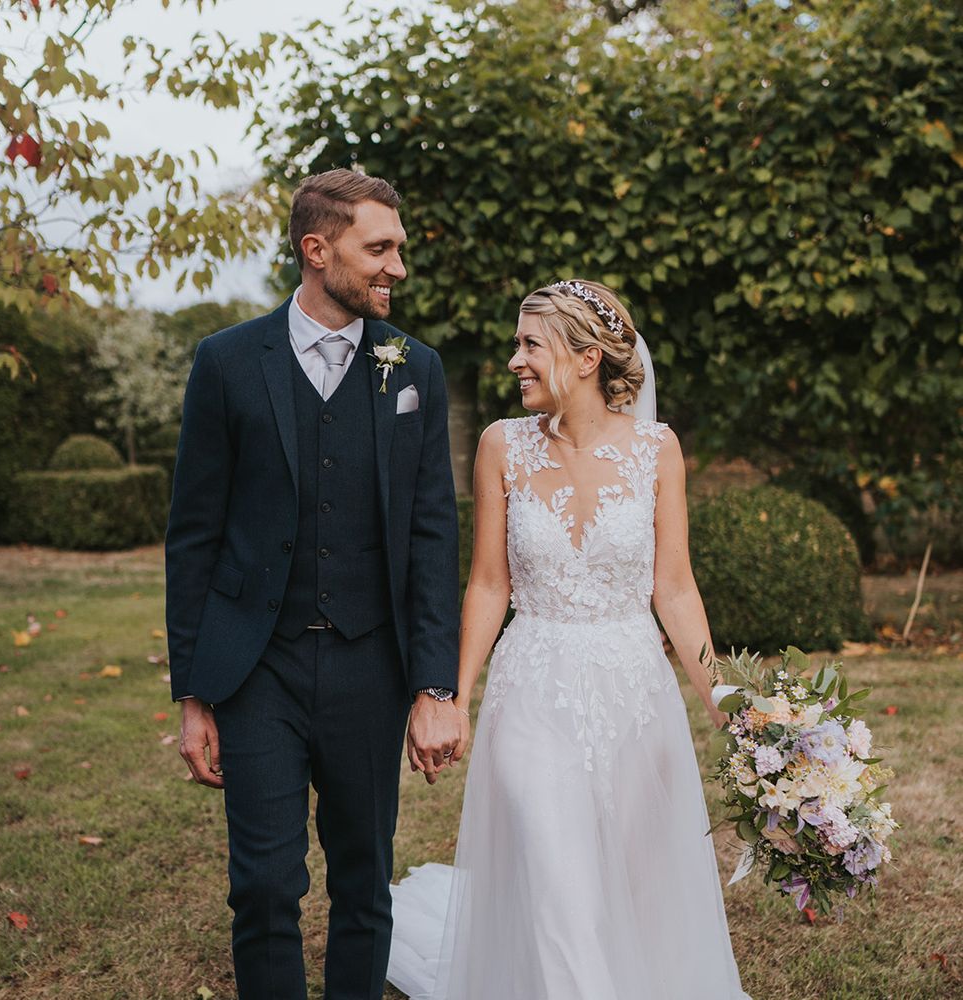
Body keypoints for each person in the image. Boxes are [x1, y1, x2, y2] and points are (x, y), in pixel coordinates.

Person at [387, 280, 750, 999]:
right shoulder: (502, 445)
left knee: (633, 885)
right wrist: (451, 696)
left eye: (530, 345)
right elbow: (489, 584)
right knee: (557, 880)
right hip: (533, 692)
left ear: (586, 358)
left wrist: (730, 706)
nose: (514, 360)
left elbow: (673, 588)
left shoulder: (657, 450)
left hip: (635, 695)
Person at [165, 168, 464, 1000]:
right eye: (380, 247)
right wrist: (193, 694)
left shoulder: (415, 370)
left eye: (398, 248)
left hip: (372, 666)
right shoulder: (226, 362)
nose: (396, 267)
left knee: (364, 882)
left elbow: (432, 535)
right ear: (316, 248)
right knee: (263, 884)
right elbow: (193, 537)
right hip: (258, 667)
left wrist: (435, 681)